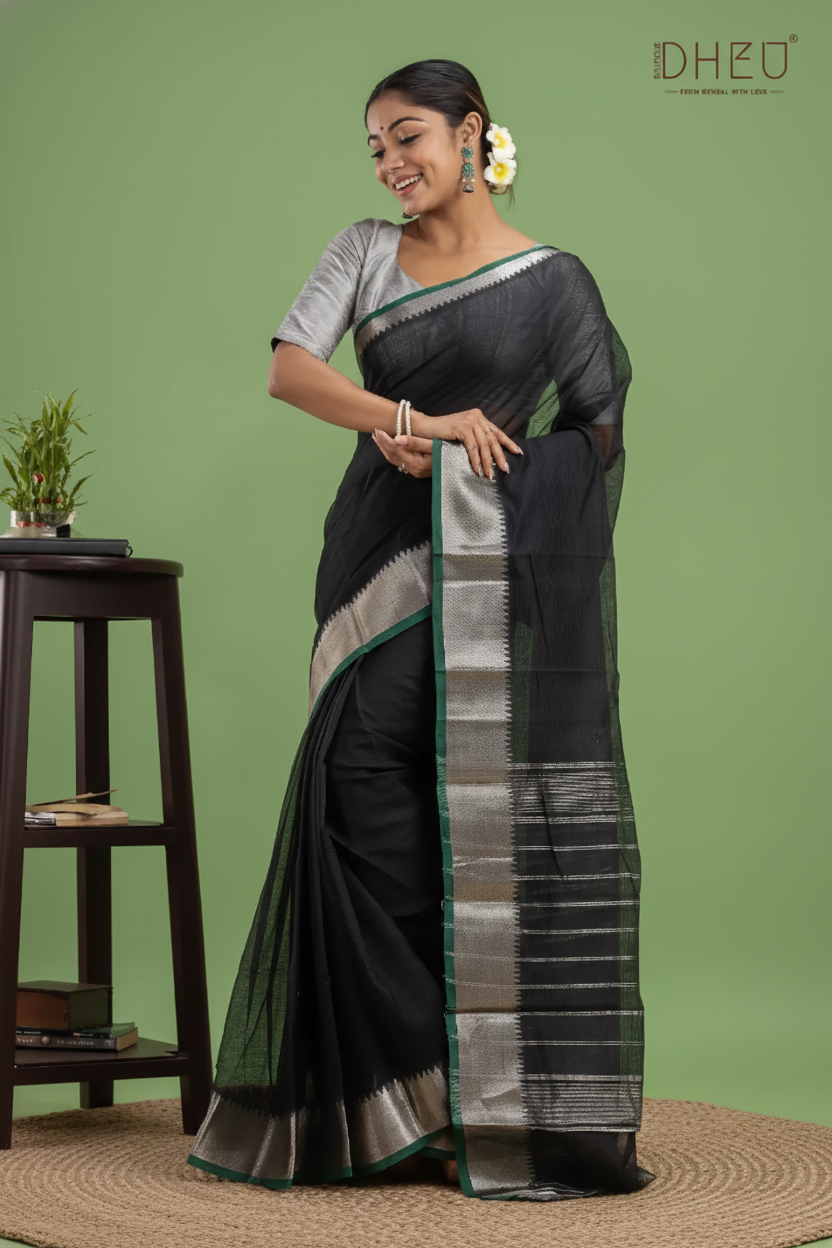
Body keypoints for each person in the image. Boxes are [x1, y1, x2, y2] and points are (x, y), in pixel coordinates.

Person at [187, 58, 656, 1203]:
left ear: (471, 133)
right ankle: (405, 1094)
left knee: (467, 816)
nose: (392, 163)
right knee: (358, 794)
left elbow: (596, 433)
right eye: (376, 148)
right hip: (373, 562)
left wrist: (487, 460)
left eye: (409, 137)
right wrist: (408, 419)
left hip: (483, 566)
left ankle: (475, 1097)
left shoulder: (554, 283)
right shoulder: (362, 250)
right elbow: (290, 372)